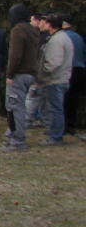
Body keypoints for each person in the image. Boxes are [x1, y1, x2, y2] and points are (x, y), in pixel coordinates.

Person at [1, 4, 39, 152]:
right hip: (31, 73)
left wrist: (10, 74)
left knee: (14, 107)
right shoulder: (33, 30)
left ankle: (17, 140)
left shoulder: (18, 30)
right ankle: (15, 136)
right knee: (20, 106)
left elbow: (15, 55)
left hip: (19, 73)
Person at [37, 13, 74, 145]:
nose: (43, 24)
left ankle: (56, 136)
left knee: (55, 109)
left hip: (55, 79)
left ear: (51, 25)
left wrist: (42, 73)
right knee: (56, 108)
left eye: (46, 22)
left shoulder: (56, 40)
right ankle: (55, 134)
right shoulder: (63, 37)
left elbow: (54, 62)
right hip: (62, 78)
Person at [60, 15, 84, 138]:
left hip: (68, 69)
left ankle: (62, 126)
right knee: (74, 99)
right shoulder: (79, 37)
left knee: (64, 98)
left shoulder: (63, 37)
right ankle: (71, 125)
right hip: (80, 69)